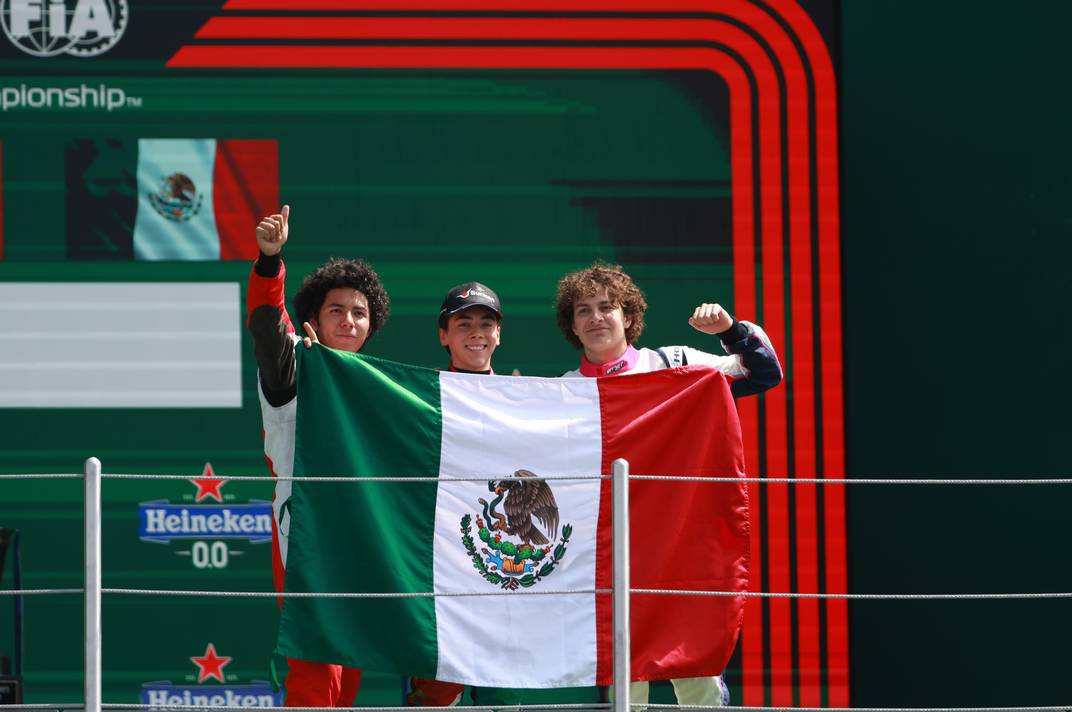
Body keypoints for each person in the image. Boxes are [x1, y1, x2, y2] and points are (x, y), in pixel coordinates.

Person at [554, 261, 783, 707]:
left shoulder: (677, 363)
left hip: (679, 549)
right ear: (573, 326)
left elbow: (763, 372)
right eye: (584, 310)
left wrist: (731, 330)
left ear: (629, 317)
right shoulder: (563, 391)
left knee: (696, 680)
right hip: (605, 560)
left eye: (607, 307)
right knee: (625, 691)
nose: (596, 318)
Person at [248, 204, 391, 707]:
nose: (349, 321)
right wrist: (271, 261)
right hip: (305, 529)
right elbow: (268, 324)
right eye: (337, 310)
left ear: (371, 327)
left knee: (347, 671)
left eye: (359, 313)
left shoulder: (381, 386)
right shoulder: (293, 365)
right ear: (313, 319)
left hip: (363, 534)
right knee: (314, 666)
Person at [404, 282, 527, 709]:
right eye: (464, 323)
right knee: (434, 699)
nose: (477, 332)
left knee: (506, 698)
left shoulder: (528, 399)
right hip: (440, 578)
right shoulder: (420, 397)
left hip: (505, 574)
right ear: (444, 335)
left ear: (499, 334)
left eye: (486, 323)